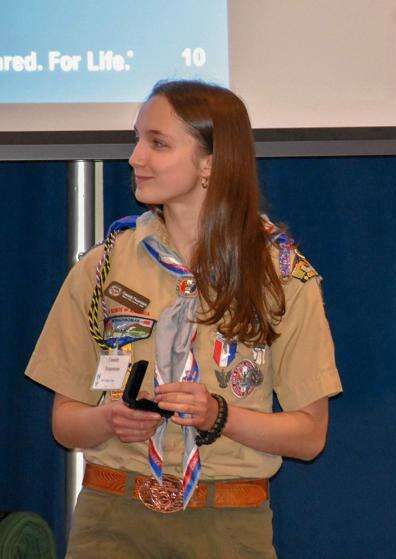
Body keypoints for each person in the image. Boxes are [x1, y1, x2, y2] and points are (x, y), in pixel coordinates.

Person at [25, 80, 342, 558]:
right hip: (112, 520)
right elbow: (64, 423)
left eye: (158, 143)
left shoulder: (281, 276)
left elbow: (310, 435)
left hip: (228, 524)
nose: (135, 157)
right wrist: (109, 419)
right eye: (137, 140)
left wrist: (220, 416)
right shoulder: (105, 266)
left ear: (211, 164)